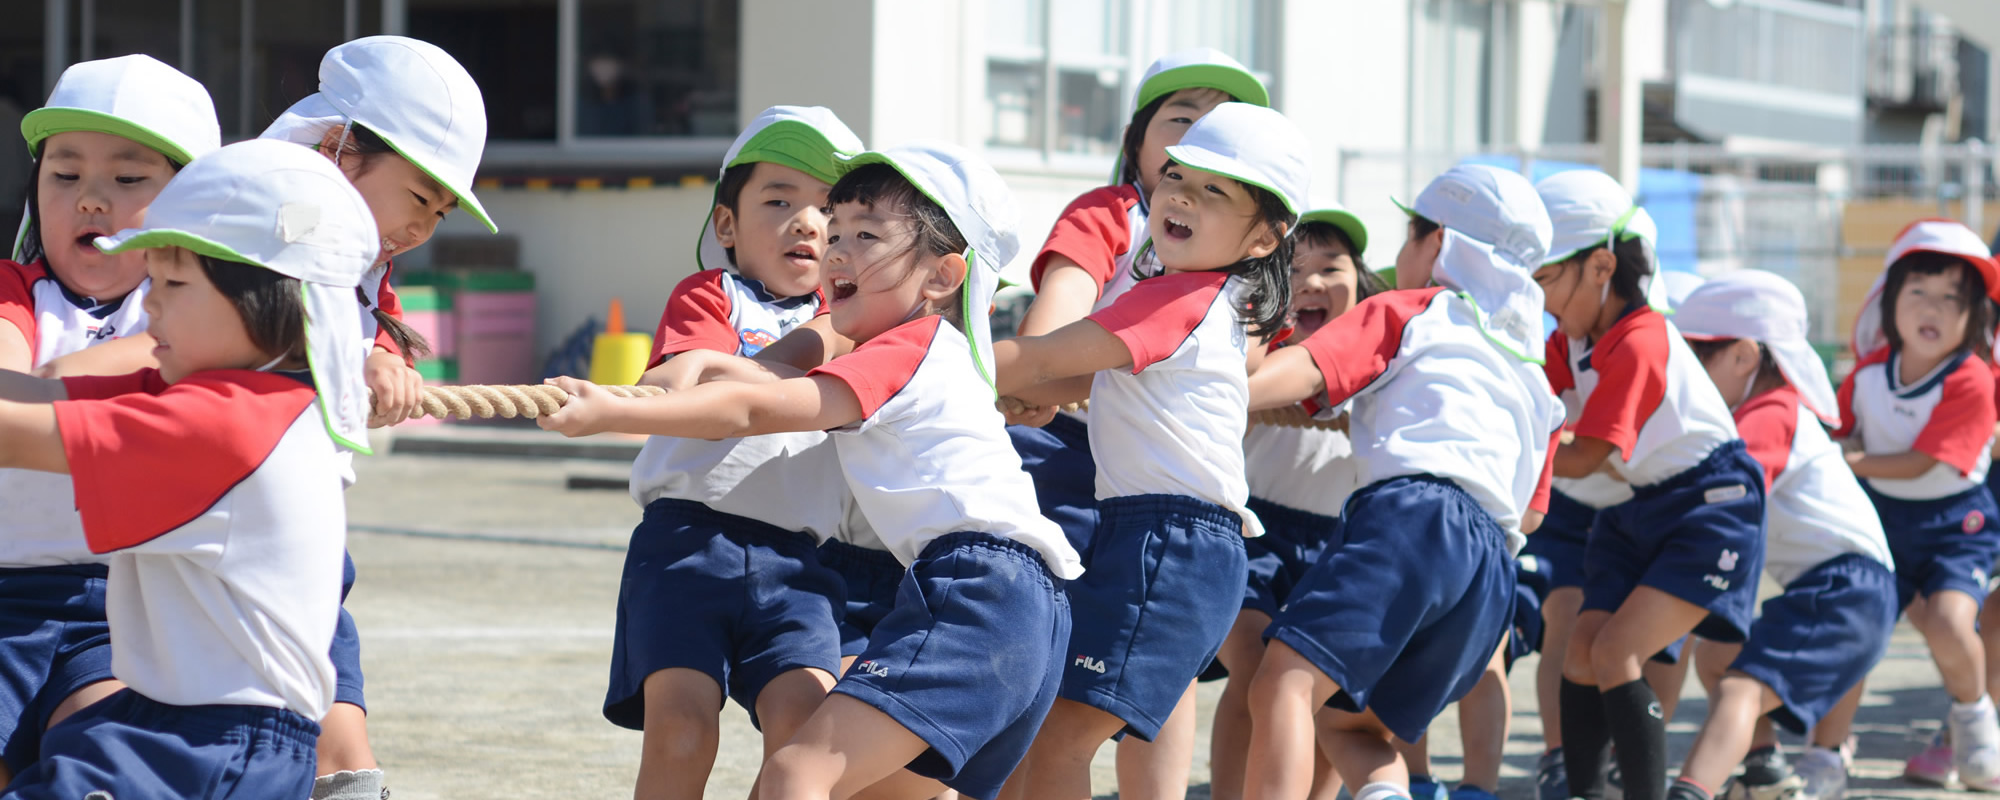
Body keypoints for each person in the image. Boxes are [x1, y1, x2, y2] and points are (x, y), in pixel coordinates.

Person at [541, 142, 1081, 800]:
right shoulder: (941, 356)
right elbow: (777, 373)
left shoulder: (905, 348)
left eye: (867, 236)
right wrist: (708, 368)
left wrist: (607, 413)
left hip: (975, 588)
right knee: (869, 791)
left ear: (942, 277)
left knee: (797, 773)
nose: (836, 251)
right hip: (1035, 611)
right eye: (839, 232)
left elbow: (762, 407)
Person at [0, 137, 377, 799]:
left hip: (212, 744)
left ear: (268, 299)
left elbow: (14, 433)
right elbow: (36, 395)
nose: (149, 307)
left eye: (173, 283)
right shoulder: (256, 401)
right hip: (174, 727)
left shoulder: (223, 426)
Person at [990, 101, 1303, 800]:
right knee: (1055, 737)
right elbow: (1073, 375)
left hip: (1171, 544)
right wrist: (1033, 389)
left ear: (1264, 237)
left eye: (1214, 191)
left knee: (1058, 742)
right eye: (1177, 176)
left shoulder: (1178, 299)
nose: (1182, 195)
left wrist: (903, 355)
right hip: (1163, 540)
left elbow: (1040, 357)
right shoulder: (1203, 299)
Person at [1238, 163, 1564, 800]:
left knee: (1283, 683)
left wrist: (1211, 388)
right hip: (1491, 570)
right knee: (1354, 730)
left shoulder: (1413, 309)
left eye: (1408, 236)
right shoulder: (1534, 372)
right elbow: (1531, 516)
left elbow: (1302, 374)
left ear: (1437, 243)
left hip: (1414, 519)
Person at [608, 105, 862, 799]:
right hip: (687, 546)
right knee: (683, 727)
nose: (807, 222)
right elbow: (684, 376)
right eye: (779, 200)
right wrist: (640, 394)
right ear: (727, 225)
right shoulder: (711, 295)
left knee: (805, 726)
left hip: (802, 561)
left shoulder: (860, 328)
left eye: (829, 210)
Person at [0, 53, 219, 785]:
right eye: (65, 176)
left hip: (134, 604)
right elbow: (7, 388)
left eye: (128, 180)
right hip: (5, 599)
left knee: (103, 761)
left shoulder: (206, 311)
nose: (91, 199)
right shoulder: (14, 292)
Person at [1533, 169, 1765, 800]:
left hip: (1711, 506)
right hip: (1639, 505)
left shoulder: (1642, 337)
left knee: (1615, 652)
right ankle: (1586, 792)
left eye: (1546, 277)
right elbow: (1529, 393)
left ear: (1602, 266)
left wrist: (1500, 453)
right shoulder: (1571, 337)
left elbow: (1587, 457)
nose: (1539, 295)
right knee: (1582, 647)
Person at [1666, 270, 1897, 800]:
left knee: (1741, 689)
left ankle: (1691, 791)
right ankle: (1765, 771)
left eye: (1695, 361)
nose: (1684, 381)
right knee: (1718, 654)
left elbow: (1727, 493)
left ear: (1746, 357)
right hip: (1842, 585)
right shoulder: (1770, 409)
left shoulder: (1769, 412)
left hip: (1847, 586)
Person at [1838, 219, 2000, 791]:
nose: (1933, 309)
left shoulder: (1973, 379)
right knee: (1856, 627)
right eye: (1918, 293)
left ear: (1976, 315)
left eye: (1953, 300)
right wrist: (1841, 447)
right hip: (1878, 520)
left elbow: (1928, 460)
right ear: (1887, 300)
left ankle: (1974, 720)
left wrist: (1853, 461)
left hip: (1958, 524)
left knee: (1952, 626)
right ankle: (1826, 748)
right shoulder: (1865, 375)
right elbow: (1841, 430)